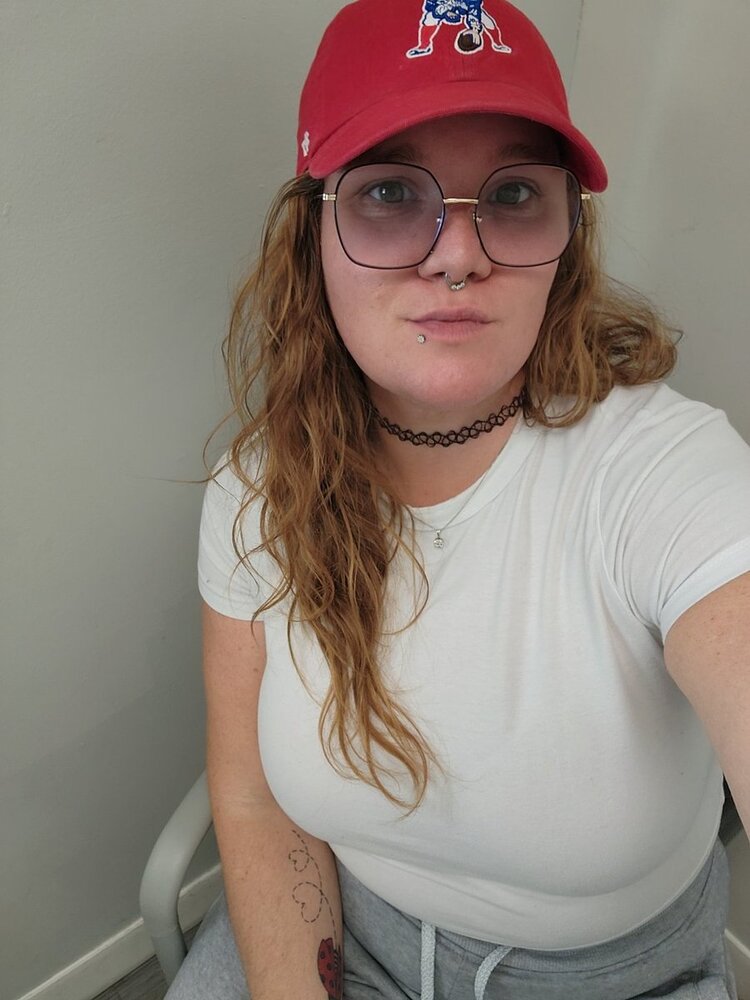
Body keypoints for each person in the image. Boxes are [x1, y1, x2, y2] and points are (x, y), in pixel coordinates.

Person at [167, 1, 750, 997]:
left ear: (567, 238)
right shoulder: (258, 490)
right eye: (391, 192)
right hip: (343, 928)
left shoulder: (663, 472)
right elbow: (258, 804)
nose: (457, 253)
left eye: (513, 194)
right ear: (313, 233)